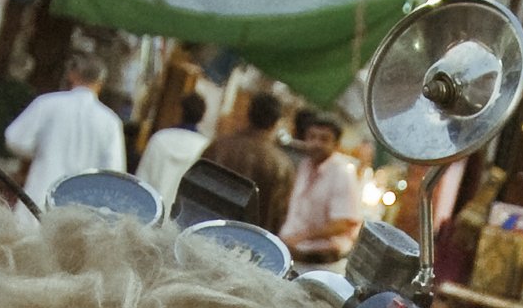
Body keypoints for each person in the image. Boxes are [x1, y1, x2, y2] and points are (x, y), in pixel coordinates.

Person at [3, 48, 127, 209]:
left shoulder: (47, 103)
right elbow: (114, 171)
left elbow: (15, 139)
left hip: (40, 195)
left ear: (72, 75)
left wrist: (42, 152)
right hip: (81, 206)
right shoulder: (110, 121)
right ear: (100, 83)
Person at [195, 87, 291, 235]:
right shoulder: (282, 165)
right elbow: (279, 217)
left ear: (249, 114)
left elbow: (193, 190)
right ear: (277, 122)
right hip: (249, 248)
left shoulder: (219, 146)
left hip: (204, 236)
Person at [281, 107, 366, 264]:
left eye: (324, 139)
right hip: (293, 255)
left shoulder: (343, 173)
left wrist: (299, 237)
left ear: (336, 144)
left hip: (321, 262)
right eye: (312, 137)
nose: (316, 143)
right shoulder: (305, 165)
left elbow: (342, 224)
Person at [137, 84, 212, 218]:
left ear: (180, 111)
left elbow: (143, 177)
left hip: (151, 214)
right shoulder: (204, 148)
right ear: (202, 116)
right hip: (181, 220)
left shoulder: (160, 139)